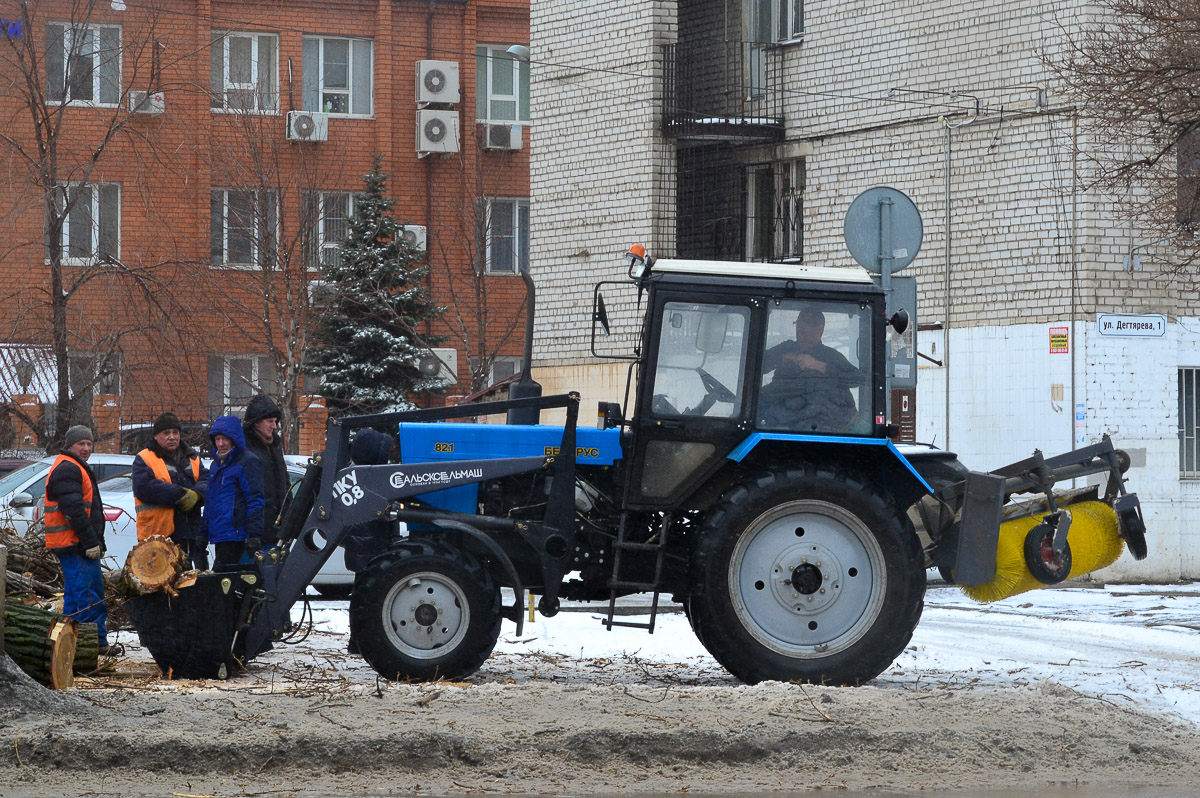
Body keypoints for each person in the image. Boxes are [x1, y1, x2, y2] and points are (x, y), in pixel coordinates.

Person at [44, 425, 118, 656]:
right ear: (70, 446)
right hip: (75, 544)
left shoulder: (70, 466)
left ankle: (71, 646)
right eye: (81, 444)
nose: (86, 448)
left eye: (89, 443)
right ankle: (94, 645)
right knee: (89, 595)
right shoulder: (69, 469)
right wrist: (90, 542)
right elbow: (74, 510)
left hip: (70, 543)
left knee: (75, 599)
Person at [760, 307, 864, 432]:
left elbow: (857, 379)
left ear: (820, 329)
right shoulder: (786, 348)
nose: (800, 328)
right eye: (798, 323)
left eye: (806, 323)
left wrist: (820, 366)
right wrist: (778, 359)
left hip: (824, 426)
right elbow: (755, 367)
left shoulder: (831, 356)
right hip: (782, 425)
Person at [131, 412, 210, 570]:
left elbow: (207, 480)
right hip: (157, 535)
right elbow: (145, 488)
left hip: (188, 532)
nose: (172, 437)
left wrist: (197, 494)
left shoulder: (193, 458)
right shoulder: (144, 458)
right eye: (166, 433)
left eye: (175, 432)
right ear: (156, 436)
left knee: (186, 582)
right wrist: (182, 495)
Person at [204, 415, 265, 569]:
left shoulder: (247, 461)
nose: (221, 443)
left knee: (224, 579)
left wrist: (253, 535)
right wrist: (202, 533)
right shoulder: (216, 465)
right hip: (221, 534)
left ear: (234, 439)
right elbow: (210, 502)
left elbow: (255, 499)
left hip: (237, 534)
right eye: (217, 439)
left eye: (225, 439)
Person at [242, 394, 288, 547]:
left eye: (275, 422)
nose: (274, 426)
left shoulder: (275, 447)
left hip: (277, 533)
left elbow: (285, 485)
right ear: (256, 423)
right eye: (270, 421)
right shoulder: (244, 449)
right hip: (253, 537)